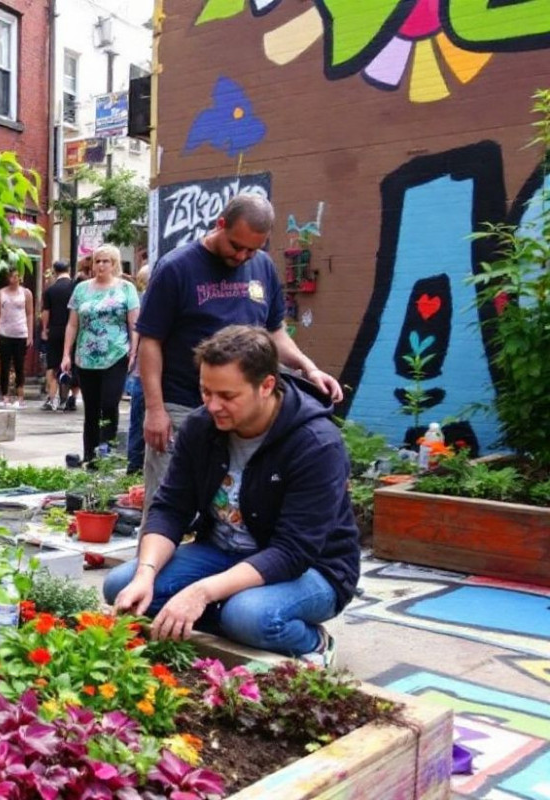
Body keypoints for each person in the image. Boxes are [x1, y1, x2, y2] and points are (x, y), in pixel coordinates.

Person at [104, 326, 359, 667]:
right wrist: (146, 574)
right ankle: (226, 617)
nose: (212, 406)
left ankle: (314, 642)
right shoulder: (201, 427)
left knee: (248, 617)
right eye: (205, 392)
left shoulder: (316, 444)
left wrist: (201, 592)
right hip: (222, 553)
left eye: (227, 396)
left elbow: (292, 552)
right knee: (123, 587)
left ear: (267, 386)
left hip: (313, 569)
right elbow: (171, 507)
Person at [136, 194, 344, 518]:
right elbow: (150, 341)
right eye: (237, 246)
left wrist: (308, 368)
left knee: (236, 511)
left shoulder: (261, 267)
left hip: (246, 412)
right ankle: (151, 568)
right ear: (221, 224)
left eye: (253, 249)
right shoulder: (177, 267)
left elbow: (274, 332)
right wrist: (154, 409)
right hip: (182, 405)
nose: (243, 256)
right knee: (168, 504)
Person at [61, 245, 139, 463]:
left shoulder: (126, 288)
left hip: (115, 353)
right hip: (86, 356)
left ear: (114, 264)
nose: (101, 265)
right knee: (91, 408)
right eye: (97, 261)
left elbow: (134, 322)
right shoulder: (81, 289)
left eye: (106, 261)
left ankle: (107, 451)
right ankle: (90, 455)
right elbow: (73, 324)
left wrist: (134, 350)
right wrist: (66, 353)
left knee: (109, 403)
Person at [0, 267, 33, 409]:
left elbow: (30, 314)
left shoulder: (26, 293)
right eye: (12, 276)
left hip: (20, 333)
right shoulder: (0, 293)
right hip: (4, 332)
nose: (14, 279)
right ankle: (5, 396)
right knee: (4, 365)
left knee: (20, 366)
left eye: (17, 276)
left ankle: (20, 396)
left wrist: (30, 334)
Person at [40, 260, 78, 412]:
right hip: (74, 330)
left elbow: (45, 312)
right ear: (68, 269)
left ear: (54, 271)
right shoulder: (76, 287)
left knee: (53, 365)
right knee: (73, 364)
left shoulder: (50, 290)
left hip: (55, 330)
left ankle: (51, 398)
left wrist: (44, 329)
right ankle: (71, 398)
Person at [125, 263, 152, 473]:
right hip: (145, 370)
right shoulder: (148, 301)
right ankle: (135, 464)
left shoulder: (142, 299)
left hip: (142, 370)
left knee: (137, 418)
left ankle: (134, 464)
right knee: (139, 417)